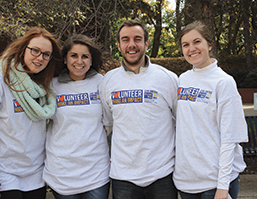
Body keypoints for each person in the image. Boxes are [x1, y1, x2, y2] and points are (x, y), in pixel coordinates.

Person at [0, 27, 62, 199]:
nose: (40, 58)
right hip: (4, 174)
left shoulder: (44, 86)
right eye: (35, 51)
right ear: (23, 49)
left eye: (46, 54)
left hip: (35, 175)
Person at [99, 19, 178, 199]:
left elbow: (180, 122)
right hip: (123, 177)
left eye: (137, 39)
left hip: (163, 175)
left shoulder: (168, 78)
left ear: (146, 43)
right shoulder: (107, 81)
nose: (132, 45)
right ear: (118, 45)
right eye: (125, 39)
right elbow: (109, 123)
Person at [173, 21, 248, 199]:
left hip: (215, 184)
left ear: (209, 44)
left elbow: (230, 137)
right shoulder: (181, 80)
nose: (192, 48)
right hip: (186, 182)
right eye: (186, 44)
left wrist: (223, 186)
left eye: (197, 42)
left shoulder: (224, 82)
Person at [43, 34, 110, 199]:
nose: (79, 61)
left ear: (91, 60)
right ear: (65, 58)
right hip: (61, 171)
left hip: (96, 171)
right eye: (74, 55)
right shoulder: (51, 85)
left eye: (85, 56)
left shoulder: (103, 83)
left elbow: (110, 121)